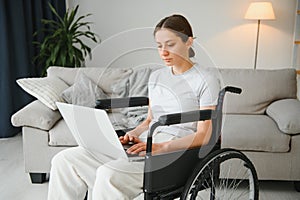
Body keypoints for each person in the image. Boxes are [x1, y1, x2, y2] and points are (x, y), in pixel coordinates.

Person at [47, 14, 220, 200]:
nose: (163, 52)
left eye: (170, 45)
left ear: (189, 42)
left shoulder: (206, 80)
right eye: (159, 46)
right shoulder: (157, 77)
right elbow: (149, 120)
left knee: (108, 174)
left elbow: (204, 135)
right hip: (146, 143)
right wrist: (134, 134)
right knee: (65, 160)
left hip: (176, 153)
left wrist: (161, 147)